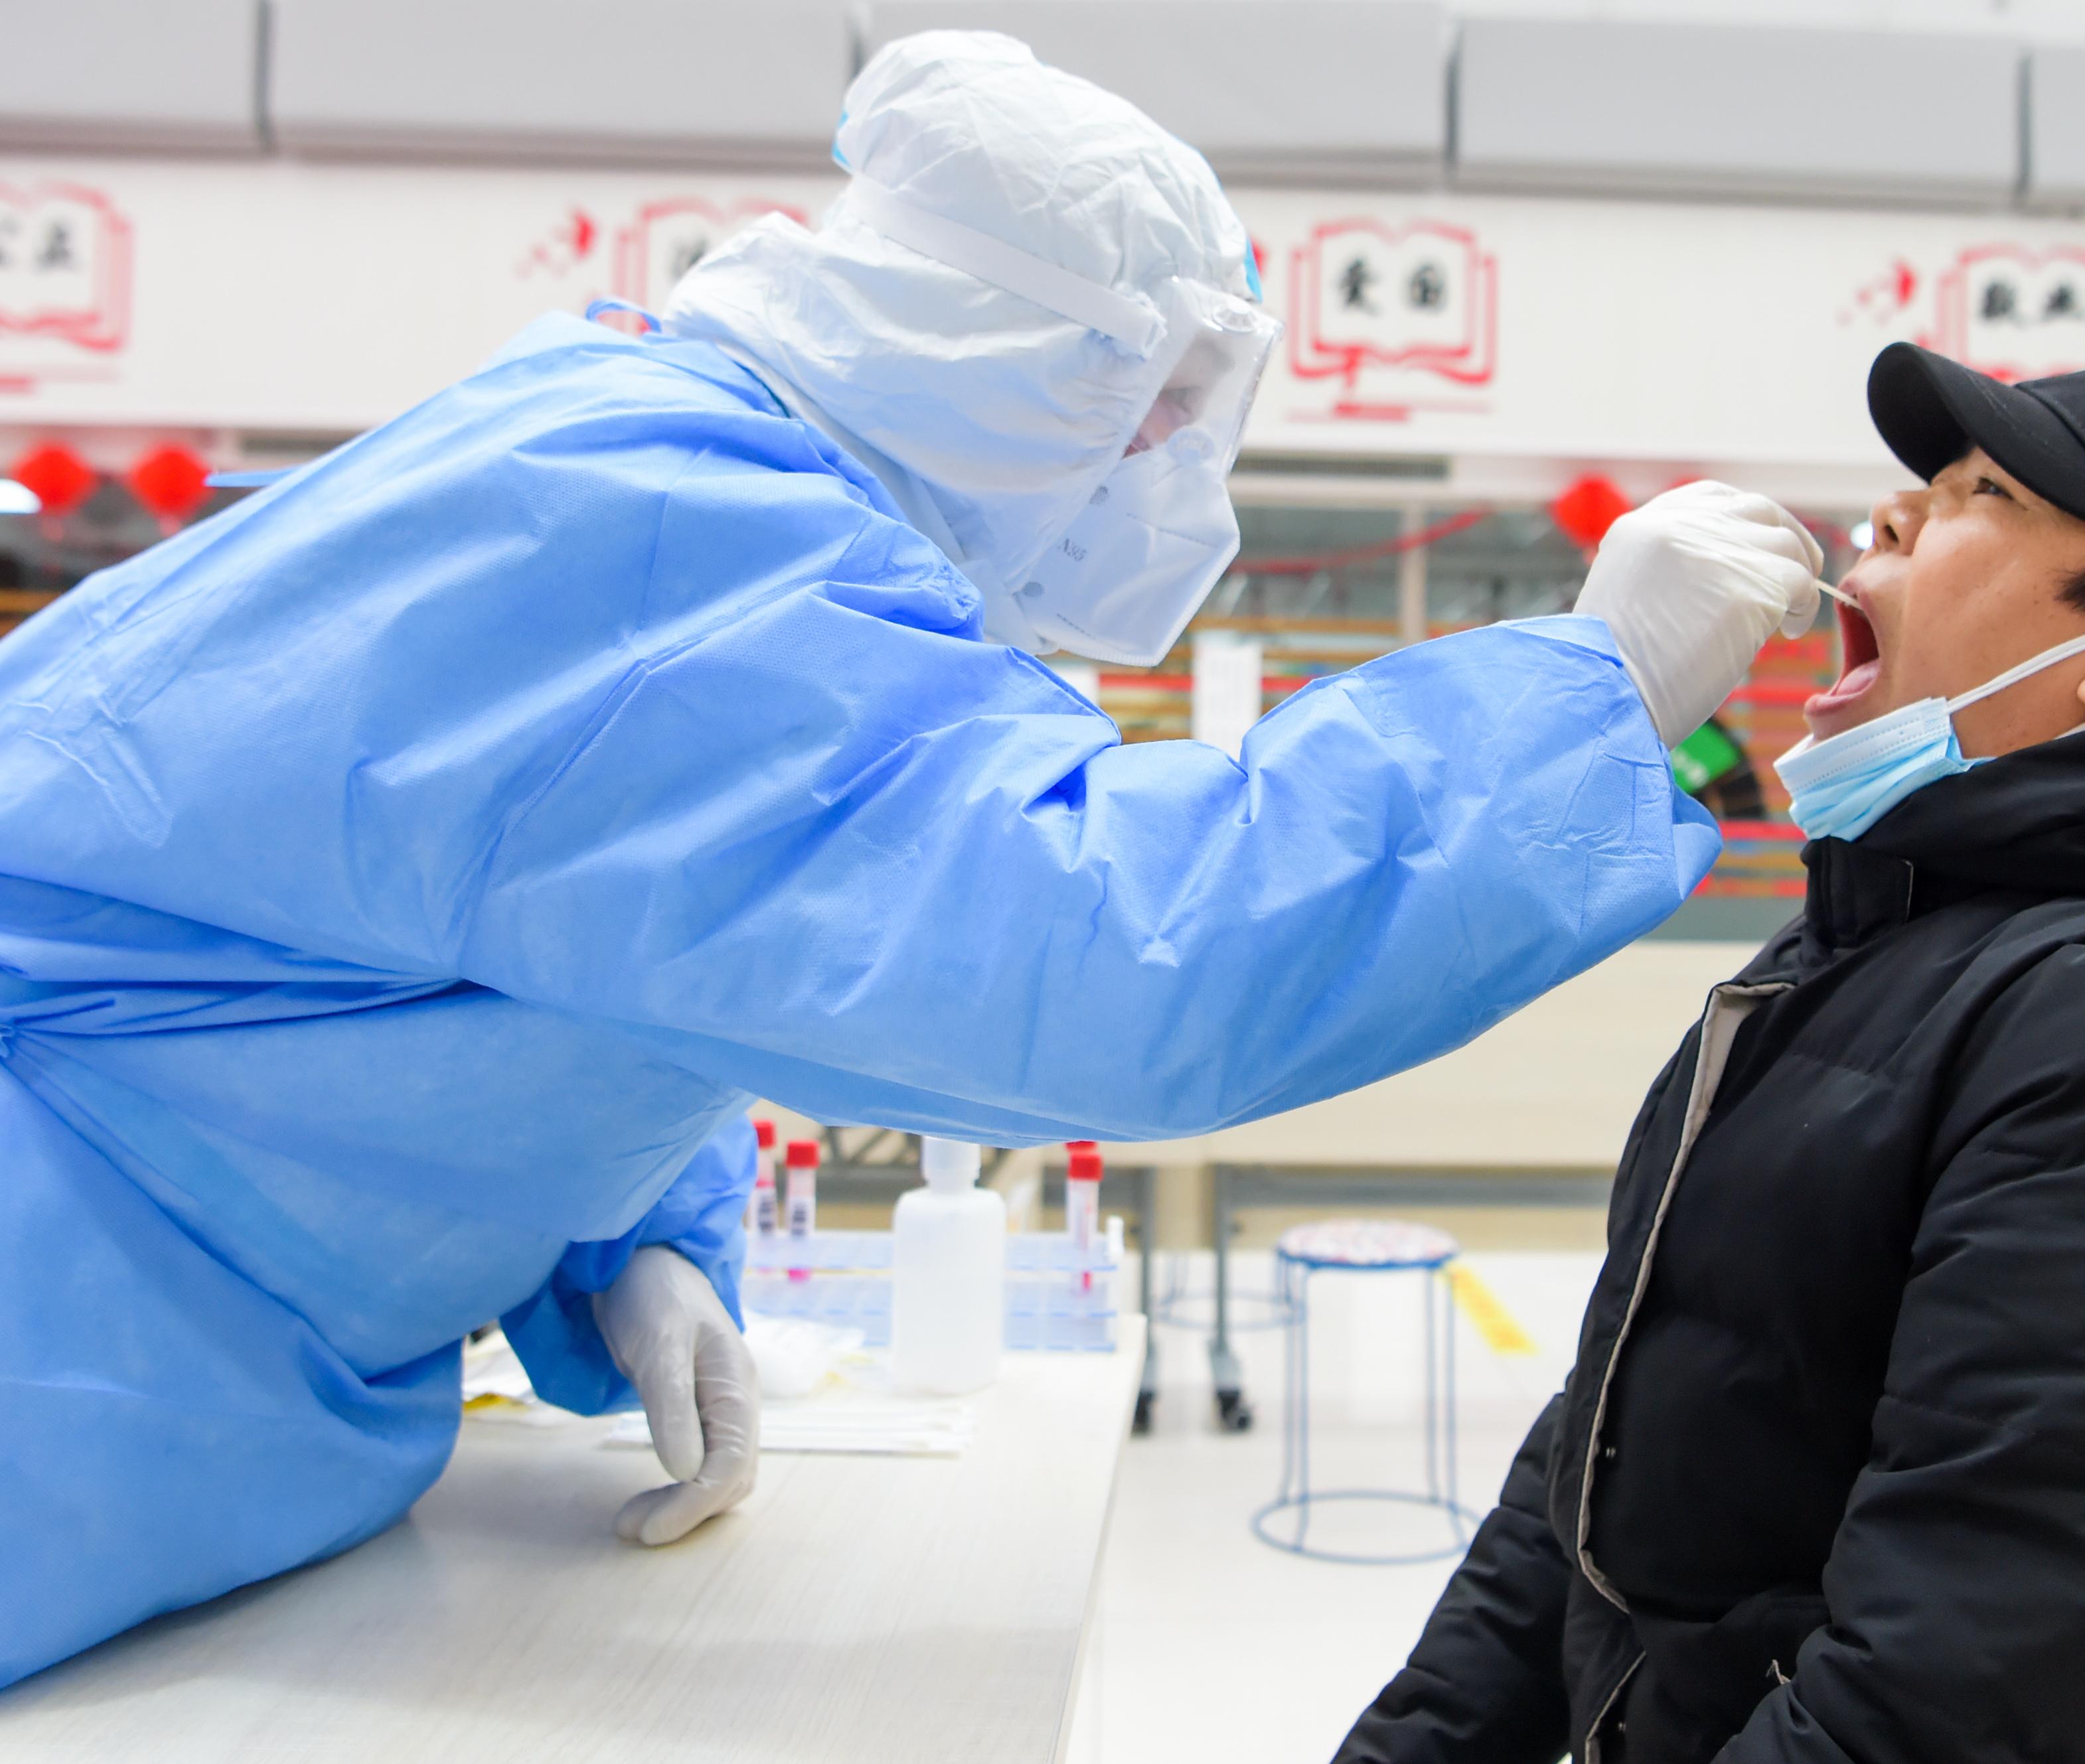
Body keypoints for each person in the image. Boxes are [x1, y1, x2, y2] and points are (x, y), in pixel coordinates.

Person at [0, 32, 1826, 1689]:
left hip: (170, 1372)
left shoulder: (645, 473)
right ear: (998, 347)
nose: (1169, 454)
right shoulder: (673, 541)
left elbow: (524, 934)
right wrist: (1590, 691)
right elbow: (1104, 952)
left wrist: (630, 1239)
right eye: (1154, 394)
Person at [1337, 343, 2085, 1764]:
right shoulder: (1873, 945)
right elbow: (1614, 1452)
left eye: (1980, 495)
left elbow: (1973, 1692)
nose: (1891, 512)